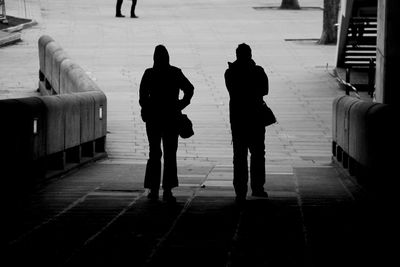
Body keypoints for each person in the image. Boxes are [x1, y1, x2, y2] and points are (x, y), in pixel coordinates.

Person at [139, 45, 194, 203]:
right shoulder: (175, 72)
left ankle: (153, 189)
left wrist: (148, 109)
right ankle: (168, 189)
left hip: (154, 119)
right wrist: (181, 104)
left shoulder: (149, 73)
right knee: (170, 154)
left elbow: (142, 97)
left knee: (154, 153)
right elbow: (189, 88)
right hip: (171, 117)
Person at [224, 43, 269, 203]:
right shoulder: (258, 71)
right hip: (256, 118)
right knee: (258, 154)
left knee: (239, 156)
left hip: (238, 119)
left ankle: (240, 190)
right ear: (250, 55)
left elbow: (233, 92)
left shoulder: (230, 73)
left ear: (237, 55)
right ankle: (258, 187)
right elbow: (265, 90)